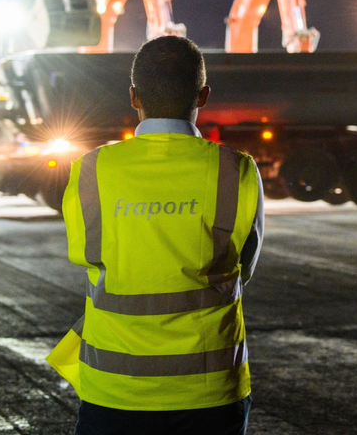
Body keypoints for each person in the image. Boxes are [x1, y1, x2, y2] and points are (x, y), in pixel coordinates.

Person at [47, 36, 264, 435]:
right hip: (209, 390)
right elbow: (243, 269)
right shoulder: (237, 170)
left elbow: (89, 259)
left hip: (114, 388)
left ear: (133, 96)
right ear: (203, 96)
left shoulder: (91, 170)